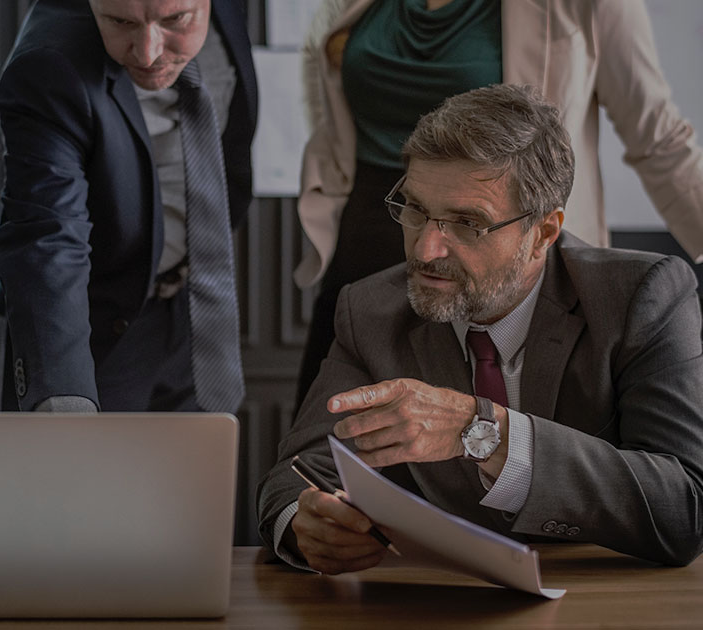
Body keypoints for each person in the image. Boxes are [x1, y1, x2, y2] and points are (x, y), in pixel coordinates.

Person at [258, 84, 703, 573]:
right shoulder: (369, 308)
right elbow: (299, 472)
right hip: (436, 601)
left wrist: (484, 432)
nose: (425, 250)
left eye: (467, 223)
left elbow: (685, 509)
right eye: (416, 210)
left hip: (607, 600)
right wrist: (306, 522)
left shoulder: (640, 297)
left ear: (543, 233)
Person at [293, 0, 703, 412]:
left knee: (501, 446)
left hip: (502, 252)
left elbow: (660, 140)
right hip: (370, 240)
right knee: (333, 443)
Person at [0, 0, 257, 413]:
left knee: (199, 473)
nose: (148, 53)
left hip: (198, 308)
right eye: (120, 22)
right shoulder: (48, 65)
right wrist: (64, 398)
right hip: (96, 331)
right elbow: (48, 239)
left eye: (174, 20)